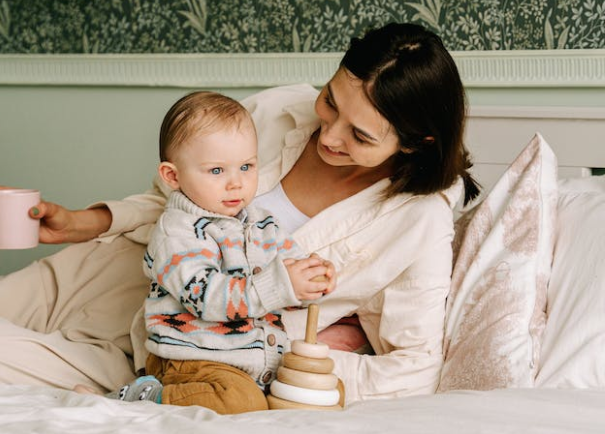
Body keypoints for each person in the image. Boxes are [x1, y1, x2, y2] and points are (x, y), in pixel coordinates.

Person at [0, 22, 480, 404]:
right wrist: (86, 223)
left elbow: (414, 366)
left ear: (419, 142)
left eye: (360, 136)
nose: (330, 135)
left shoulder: (418, 220)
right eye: (331, 102)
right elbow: (173, 199)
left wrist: (295, 361)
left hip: (172, 354)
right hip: (106, 272)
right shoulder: (277, 111)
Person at [95, 91, 336, 413]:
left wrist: (311, 278)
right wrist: (282, 284)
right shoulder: (177, 232)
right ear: (173, 176)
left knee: (323, 394)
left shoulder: (262, 222)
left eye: (246, 166)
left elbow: (289, 275)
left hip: (257, 360)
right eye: (217, 171)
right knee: (239, 402)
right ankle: (146, 398)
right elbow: (206, 296)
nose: (236, 183)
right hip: (192, 358)